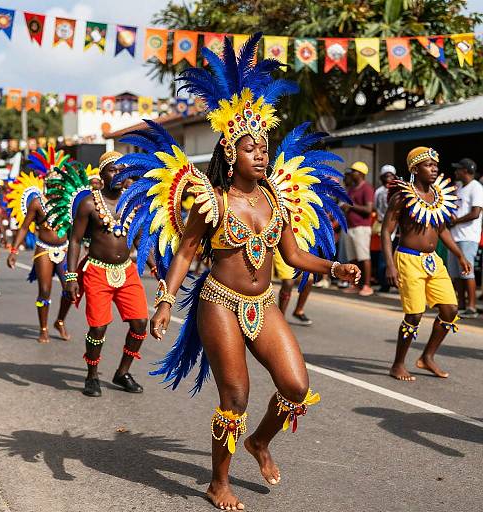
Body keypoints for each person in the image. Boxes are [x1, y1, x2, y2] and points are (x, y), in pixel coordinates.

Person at [116, 34, 360, 511]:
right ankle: (218, 482)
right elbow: (186, 254)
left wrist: (335, 265)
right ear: (231, 154)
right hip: (220, 303)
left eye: (265, 148)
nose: (262, 154)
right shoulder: (213, 202)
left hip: (263, 303)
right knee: (237, 394)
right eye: (252, 149)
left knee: (296, 387)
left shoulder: (276, 198)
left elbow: (293, 256)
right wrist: (165, 300)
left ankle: (260, 442)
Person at [63, 152, 149, 398]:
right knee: (98, 327)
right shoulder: (89, 204)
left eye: (123, 171)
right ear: (101, 175)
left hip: (127, 271)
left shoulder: (132, 201)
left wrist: (156, 266)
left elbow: (141, 238)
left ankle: (122, 372)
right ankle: (92, 375)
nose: (119, 175)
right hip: (97, 271)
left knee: (140, 323)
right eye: (113, 170)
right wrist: (71, 277)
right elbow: (75, 239)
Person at [382, 147, 471, 382]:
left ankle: (427, 357)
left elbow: (441, 229)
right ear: (414, 168)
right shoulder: (401, 196)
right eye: (428, 165)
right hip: (408, 258)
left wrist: (459, 254)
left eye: (435, 166)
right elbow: (386, 231)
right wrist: (390, 264)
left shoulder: (439, 196)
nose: (434, 170)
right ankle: (398, 364)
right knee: (415, 314)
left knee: (450, 310)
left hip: (434, 261)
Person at [6, 158, 72, 343]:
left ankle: (59, 321)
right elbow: (25, 227)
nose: (55, 187)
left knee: (70, 289)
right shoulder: (37, 203)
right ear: (46, 183)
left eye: (58, 184)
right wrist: (14, 250)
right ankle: (43, 328)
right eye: (51, 183)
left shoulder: (68, 203)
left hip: (64, 249)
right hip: (44, 249)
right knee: (44, 290)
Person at [448, 158, 483, 319]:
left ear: (467, 171)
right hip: (454, 236)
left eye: (459, 169)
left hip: (468, 237)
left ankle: (471, 307)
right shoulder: (459, 187)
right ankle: (460, 304)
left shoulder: (476, 188)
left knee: (467, 273)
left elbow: (475, 213)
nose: (456, 172)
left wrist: (456, 221)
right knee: (456, 274)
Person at [341, 161, 374, 296]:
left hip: (362, 227)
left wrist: (351, 206)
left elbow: (368, 209)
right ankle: (355, 284)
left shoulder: (367, 188)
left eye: (354, 171)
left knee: (363, 257)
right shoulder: (352, 189)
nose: (352, 174)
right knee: (353, 258)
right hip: (351, 227)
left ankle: (367, 285)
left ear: (360, 173)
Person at [274, 250, 314, 325]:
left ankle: (298, 311)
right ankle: (281, 317)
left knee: (308, 280)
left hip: (301, 249)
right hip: (282, 249)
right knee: (288, 282)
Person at [374, 164, 397, 292]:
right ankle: (384, 283)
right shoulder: (378, 192)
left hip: (397, 226)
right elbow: (376, 207)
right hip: (384, 225)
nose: (388, 178)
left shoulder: (398, 189)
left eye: (391, 175)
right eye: (386, 176)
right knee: (384, 255)